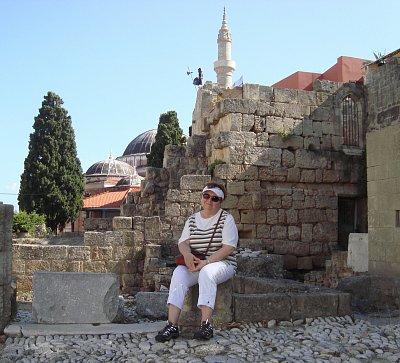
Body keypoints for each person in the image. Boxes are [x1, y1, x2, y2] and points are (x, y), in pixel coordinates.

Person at [155, 182, 238, 342]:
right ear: (201, 197)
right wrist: (186, 255)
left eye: (214, 199)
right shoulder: (192, 219)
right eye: (206, 196)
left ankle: (206, 325)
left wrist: (206, 262)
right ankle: (172, 324)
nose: (209, 201)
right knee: (179, 273)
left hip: (222, 264)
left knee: (207, 273)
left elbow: (228, 247)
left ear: (220, 202)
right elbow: (183, 242)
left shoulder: (226, 219)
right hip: (197, 263)